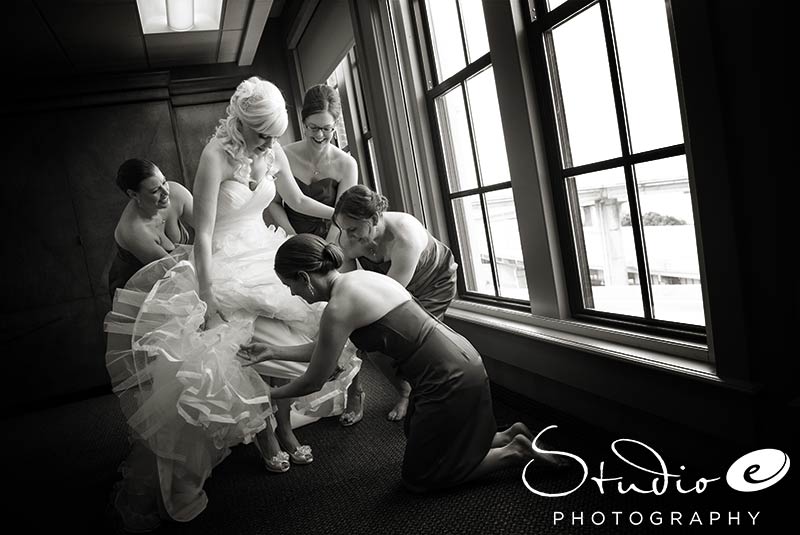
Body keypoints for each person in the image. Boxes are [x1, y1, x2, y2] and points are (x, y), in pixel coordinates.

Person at [103, 77, 360, 531]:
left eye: (275, 135)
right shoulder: (215, 156)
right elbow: (201, 235)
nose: (270, 143)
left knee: (296, 340)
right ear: (241, 123)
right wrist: (205, 298)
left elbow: (296, 199)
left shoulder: (271, 146)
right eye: (262, 134)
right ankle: (265, 437)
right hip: (222, 261)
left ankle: (283, 424)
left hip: (265, 251)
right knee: (239, 356)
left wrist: (344, 216)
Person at [240, 234, 561, 492]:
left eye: (290, 286)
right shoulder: (358, 281)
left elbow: (313, 380)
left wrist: (266, 398)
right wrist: (274, 352)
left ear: (304, 277)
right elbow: (323, 348)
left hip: (446, 375)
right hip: (462, 357)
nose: (293, 294)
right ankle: (506, 436)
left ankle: (513, 452)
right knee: (420, 435)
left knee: (420, 477)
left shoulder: (339, 307)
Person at [333, 185, 458, 425]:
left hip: (431, 283)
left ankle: (436, 400)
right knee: (375, 350)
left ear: (375, 218)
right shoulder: (348, 239)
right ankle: (404, 391)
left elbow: (389, 297)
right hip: (388, 286)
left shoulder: (405, 236)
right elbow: (346, 288)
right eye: (342, 229)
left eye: (353, 229)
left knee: (421, 345)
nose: (347, 237)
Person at [271, 84, 357, 240]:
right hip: (292, 238)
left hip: (334, 238)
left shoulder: (347, 165)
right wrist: (291, 236)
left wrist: (328, 248)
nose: (319, 135)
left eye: (326, 128)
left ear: (335, 126)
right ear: (304, 123)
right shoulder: (284, 155)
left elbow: (341, 217)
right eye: (313, 127)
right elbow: (275, 203)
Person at [107, 158, 193, 297]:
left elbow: (207, 228)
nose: (166, 192)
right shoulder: (134, 231)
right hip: (141, 292)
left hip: (183, 274)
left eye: (164, 182)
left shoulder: (176, 193)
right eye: (155, 191)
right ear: (133, 194)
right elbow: (175, 273)